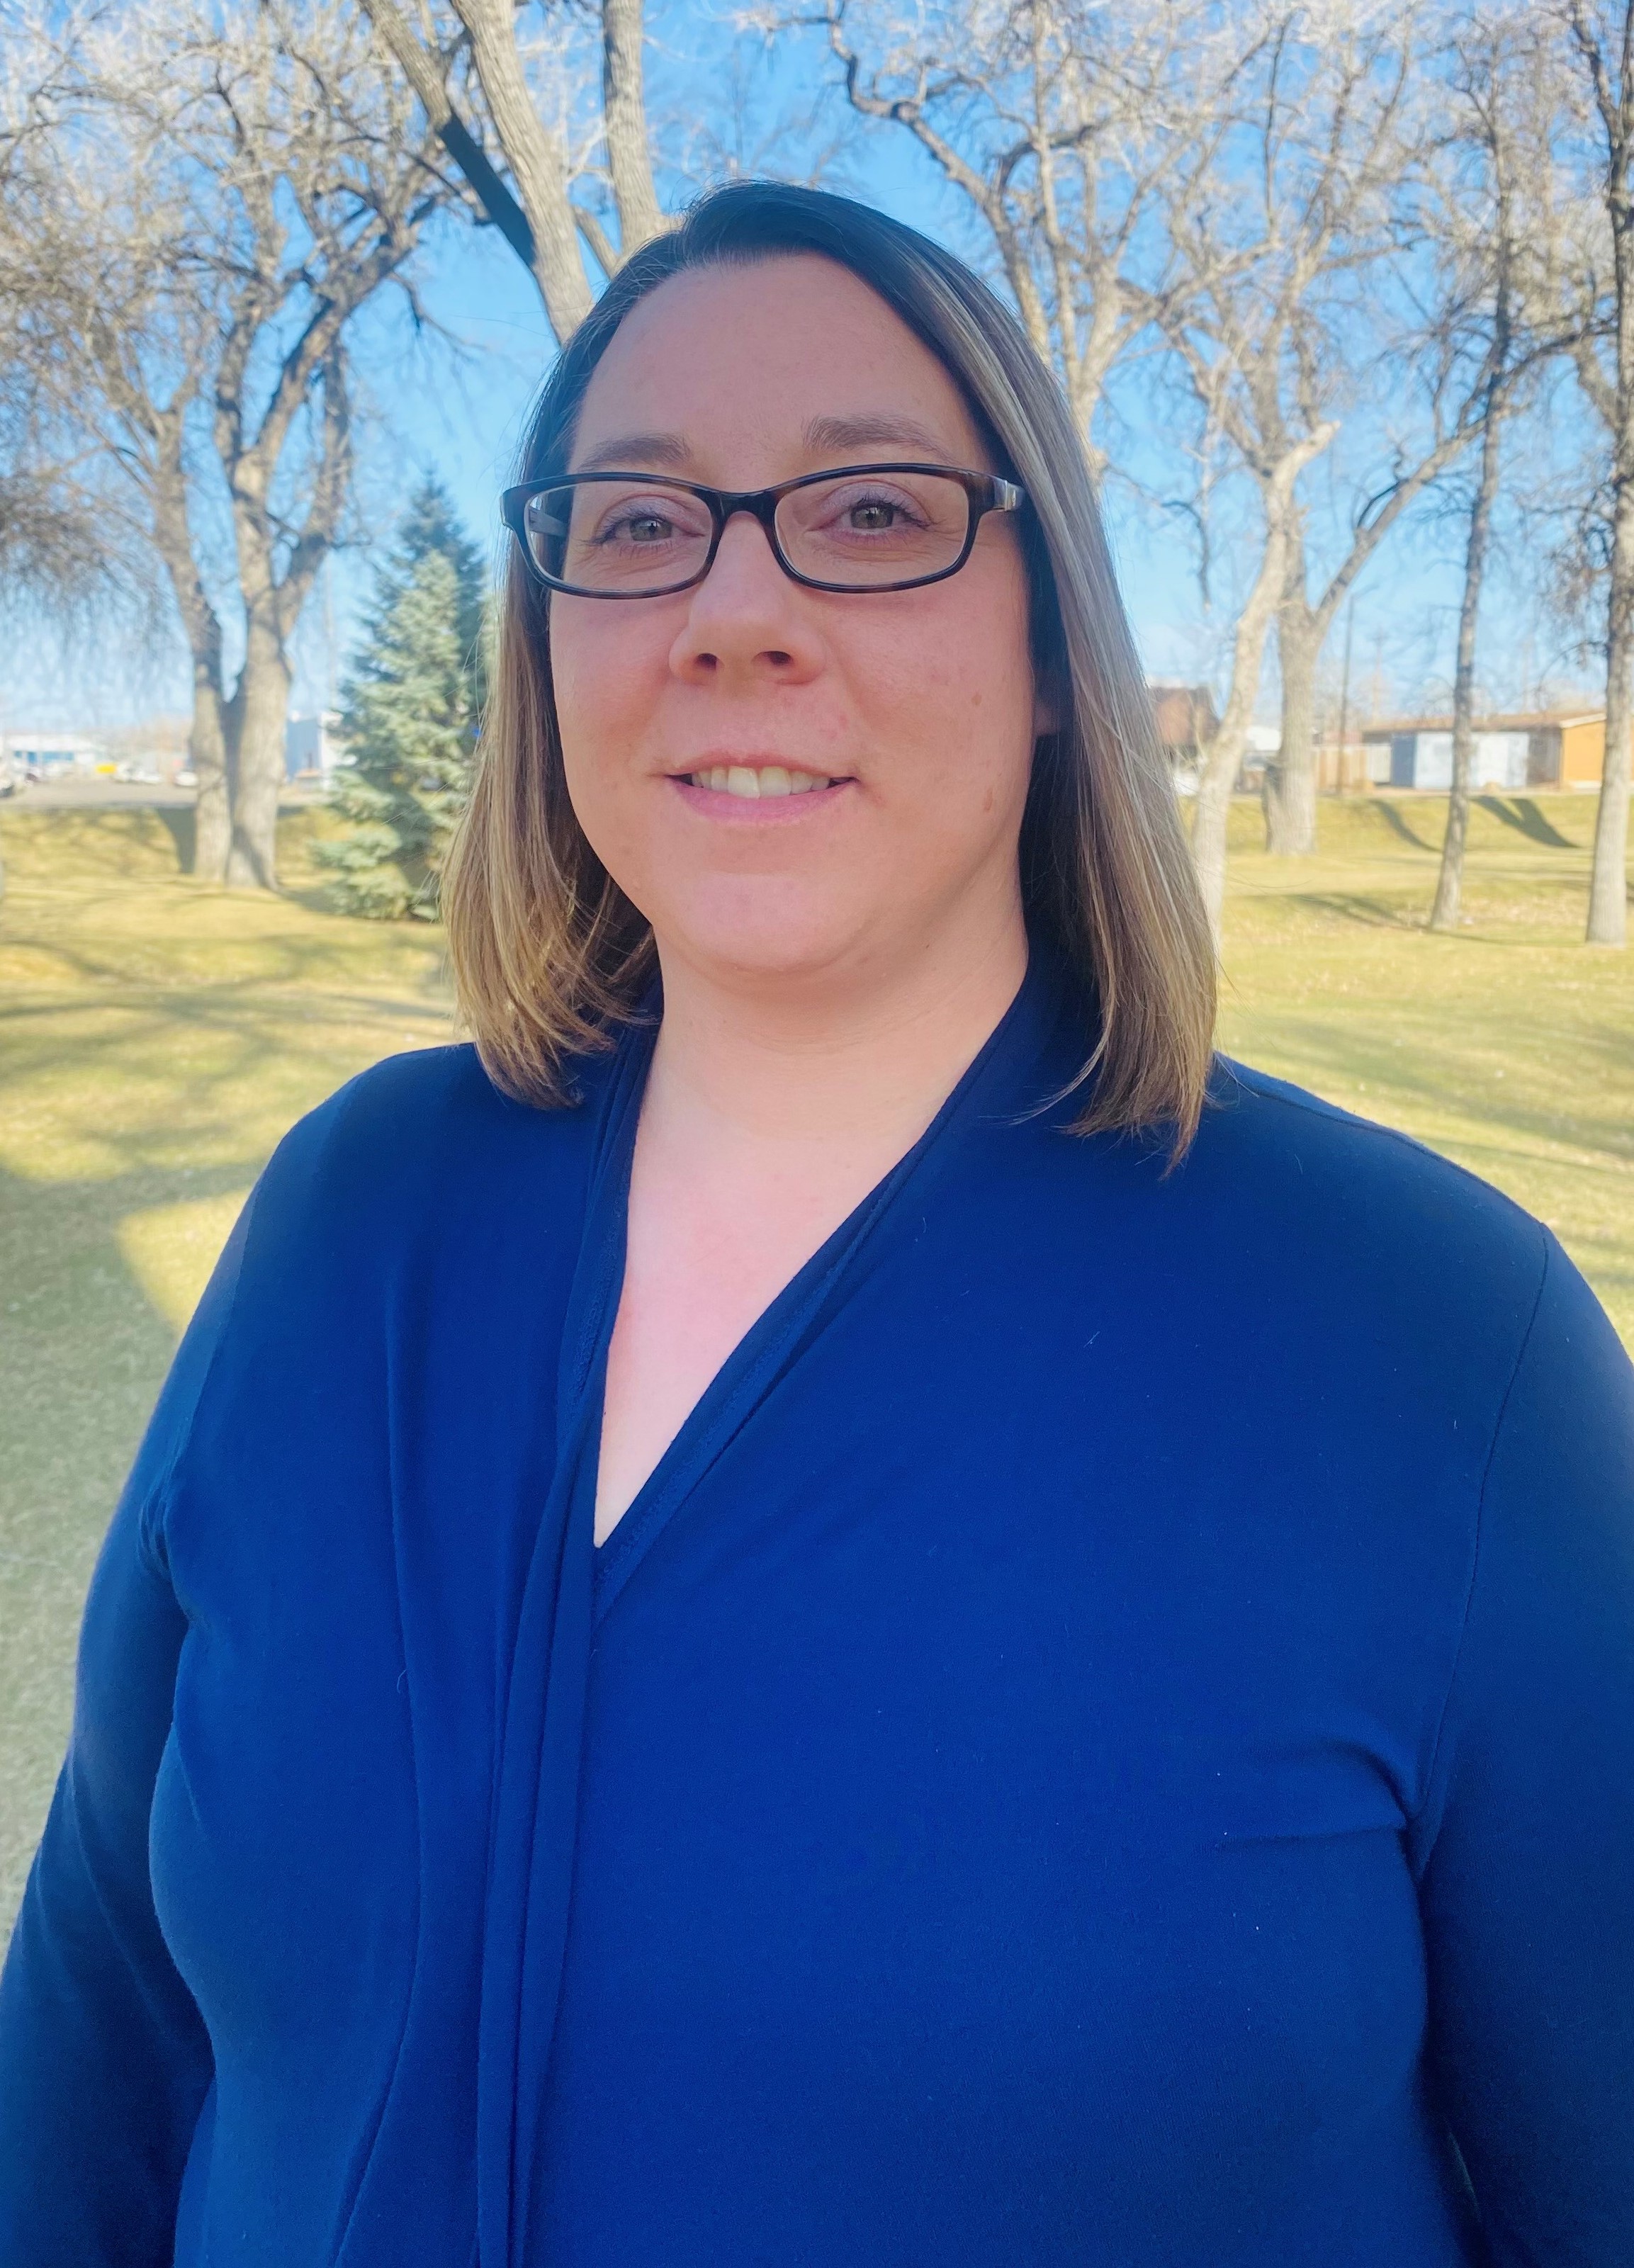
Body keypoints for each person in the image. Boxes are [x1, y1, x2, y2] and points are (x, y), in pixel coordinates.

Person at [1, 181, 1630, 2268]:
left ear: (1053, 652)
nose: (732, 611)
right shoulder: (350, 1225)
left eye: (868, 513)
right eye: (637, 519)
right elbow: (102, 2012)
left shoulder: (1431, 1342)